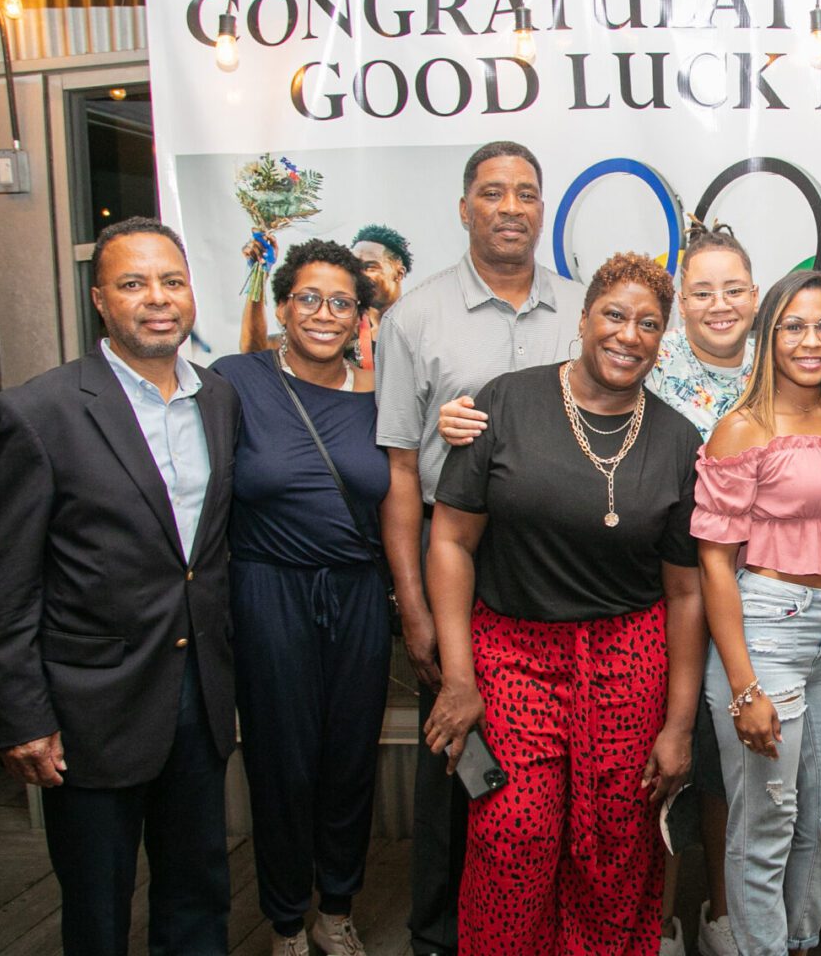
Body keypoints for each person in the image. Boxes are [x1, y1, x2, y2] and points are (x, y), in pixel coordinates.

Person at [438, 216, 759, 956]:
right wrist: (459, 677)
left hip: (628, 659)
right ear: (583, 320)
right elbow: (451, 539)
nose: (628, 334)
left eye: (649, 323)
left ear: (663, 337)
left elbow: (685, 594)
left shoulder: (680, 440)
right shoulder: (506, 404)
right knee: (514, 835)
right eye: (614, 315)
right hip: (515, 652)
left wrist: (678, 726)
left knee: (615, 846)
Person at [0, 217, 240, 956]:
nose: (158, 299)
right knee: (98, 905)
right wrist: (20, 717)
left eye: (172, 281)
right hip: (91, 709)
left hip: (197, 695)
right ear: (99, 299)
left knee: (199, 890)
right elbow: (0, 587)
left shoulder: (217, 400)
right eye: (133, 283)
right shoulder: (39, 413)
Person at [375, 140, 585, 956]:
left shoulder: (581, 310)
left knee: (546, 776)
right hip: (456, 556)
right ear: (464, 208)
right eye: (491, 192)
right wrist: (415, 606)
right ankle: (439, 936)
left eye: (526, 193)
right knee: (458, 761)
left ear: (542, 209)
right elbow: (399, 476)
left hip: (562, 565)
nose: (509, 207)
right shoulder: (413, 318)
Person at [212, 240, 391, 956]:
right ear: (283, 306)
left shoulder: (383, 393)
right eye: (308, 299)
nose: (324, 314)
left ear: (361, 316)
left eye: (341, 301)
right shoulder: (235, 381)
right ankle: (286, 919)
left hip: (358, 595)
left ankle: (336, 910)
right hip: (268, 590)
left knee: (350, 758)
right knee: (282, 763)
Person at [695, 270, 821, 956]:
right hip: (768, 627)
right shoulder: (743, 428)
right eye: (793, 326)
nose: (811, 340)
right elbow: (715, 560)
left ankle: (796, 942)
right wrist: (744, 686)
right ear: (767, 336)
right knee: (766, 825)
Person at [351, 222, 412, 367]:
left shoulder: (420, 328)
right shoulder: (345, 331)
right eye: (354, 267)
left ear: (399, 273)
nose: (359, 275)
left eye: (370, 267)